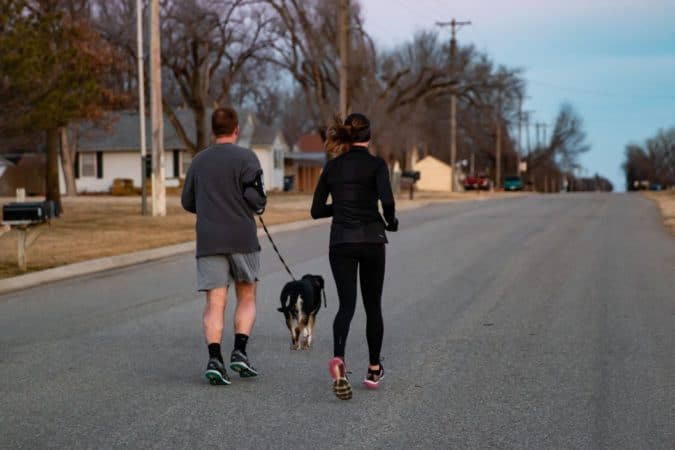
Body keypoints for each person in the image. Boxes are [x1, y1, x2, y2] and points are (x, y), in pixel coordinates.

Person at [311, 113, 399, 400]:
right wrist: (392, 221)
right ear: (369, 136)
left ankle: (339, 359)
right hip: (372, 239)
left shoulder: (332, 167)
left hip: (341, 242)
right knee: (373, 306)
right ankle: (374, 369)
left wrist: (341, 207)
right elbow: (387, 201)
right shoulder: (376, 165)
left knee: (346, 306)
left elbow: (316, 209)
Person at [181, 107, 267, 385]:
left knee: (214, 303)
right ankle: (239, 352)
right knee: (247, 296)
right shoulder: (247, 158)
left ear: (212, 130)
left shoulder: (198, 161)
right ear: (236, 129)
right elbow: (257, 199)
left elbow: (187, 202)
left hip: (209, 240)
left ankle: (214, 358)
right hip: (242, 237)